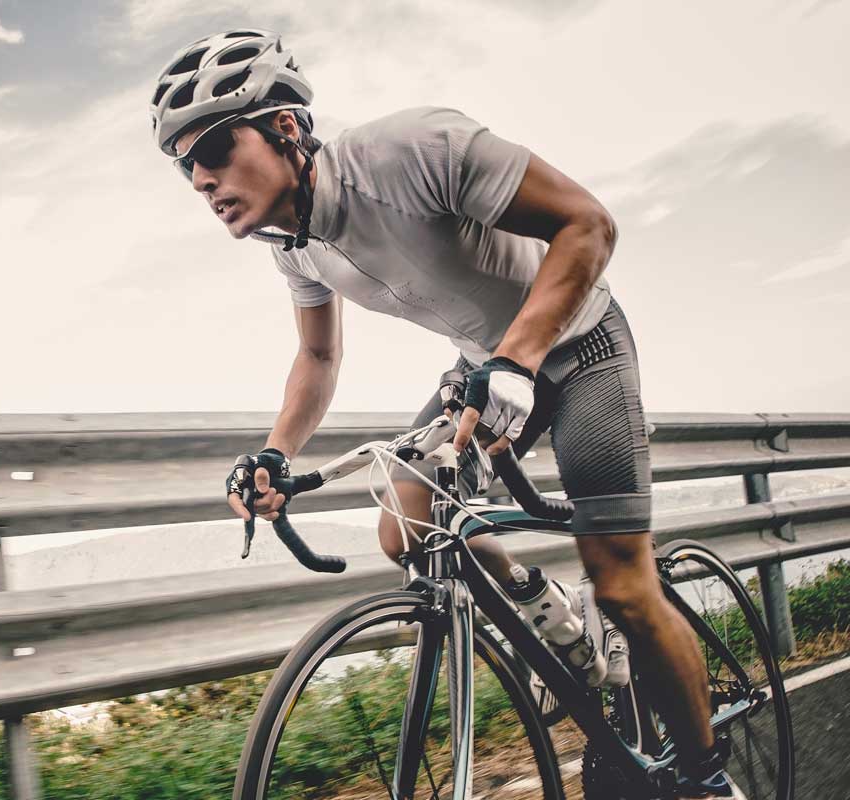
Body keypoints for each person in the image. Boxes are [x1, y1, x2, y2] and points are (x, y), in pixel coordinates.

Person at [150, 29, 730, 798]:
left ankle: (708, 779)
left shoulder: (412, 151)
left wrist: (519, 358)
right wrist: (277, 453)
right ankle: (563, 627)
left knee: (623, 583)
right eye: (185, 164)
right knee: (407, 528)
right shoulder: (291, 243)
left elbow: (588, 225)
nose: (200, 178)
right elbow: (319, 359)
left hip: (579, 345)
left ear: (287, 126)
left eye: (216, 148)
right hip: (483, 365)